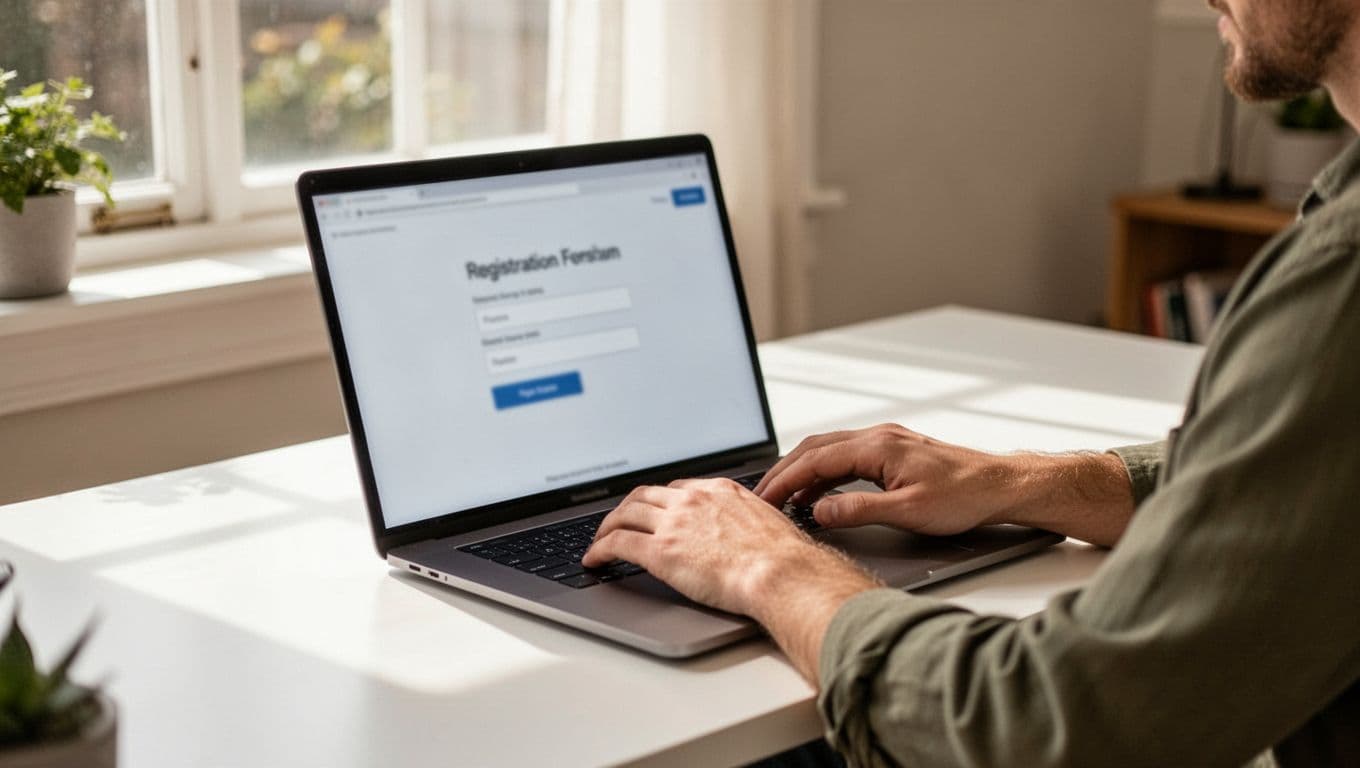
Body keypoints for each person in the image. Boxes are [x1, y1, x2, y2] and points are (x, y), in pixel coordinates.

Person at [582, 0, 1360, 765]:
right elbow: (1307, 487)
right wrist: (1024, 483)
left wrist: (767, 566)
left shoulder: (1341, 280)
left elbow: (1051, 727)